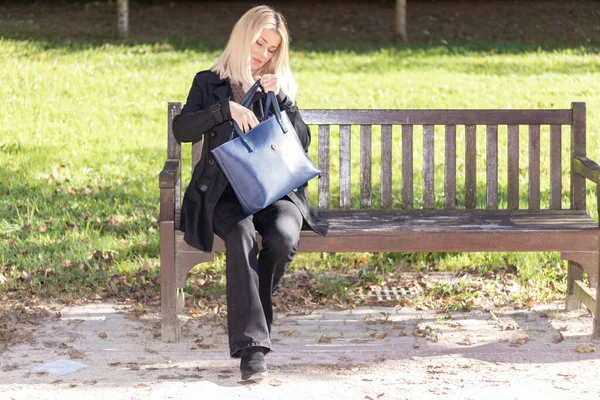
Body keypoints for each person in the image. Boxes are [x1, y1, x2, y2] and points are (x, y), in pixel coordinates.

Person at [172, 5, 329, 381]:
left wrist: (285, 102)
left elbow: (301, 142)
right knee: (241, 233)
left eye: (271, 48)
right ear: (243, 36)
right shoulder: (209, 82)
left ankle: (250, 310)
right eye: (259, 42)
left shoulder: (276, 87)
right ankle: (253, 352)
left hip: (274, 190)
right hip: (222, 194)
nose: (263, 54)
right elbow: (183, 129)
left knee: (283, 236)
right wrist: (223, 110)